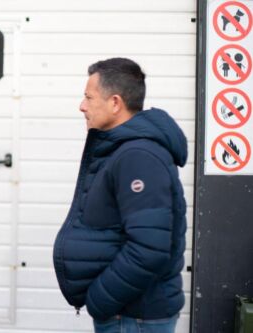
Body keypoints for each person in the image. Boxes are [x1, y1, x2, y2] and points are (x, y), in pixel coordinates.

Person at [53, 58, 187, 333]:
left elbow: (149, 249)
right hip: (129, 315)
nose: (82, 106)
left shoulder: (138, 156)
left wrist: (101, 299)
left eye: (89, 97)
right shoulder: (124, 150)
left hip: (133, 317)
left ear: (115, 103)